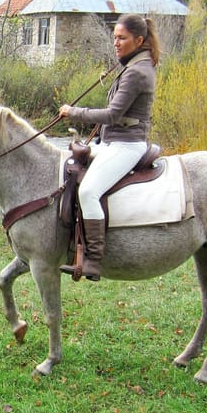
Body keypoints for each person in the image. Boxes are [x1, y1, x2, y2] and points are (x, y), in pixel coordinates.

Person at [57, 14, 160, 281]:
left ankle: (93, 260)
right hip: (113, 142)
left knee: (90, 191)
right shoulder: (131, 65)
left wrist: (73, 112)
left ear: (139, 40)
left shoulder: (137, 72)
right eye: (115, 37)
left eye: (122, 38)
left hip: (127, 145)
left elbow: (113, 115)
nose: (116, 42)